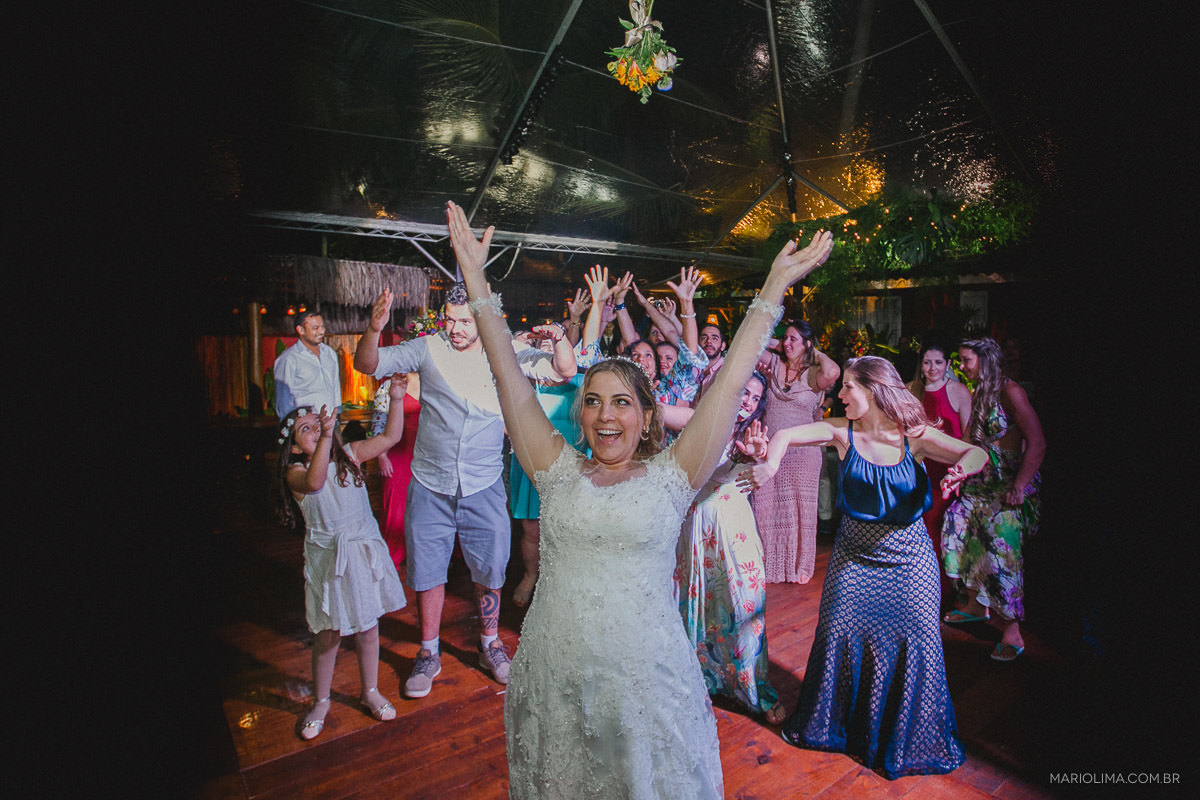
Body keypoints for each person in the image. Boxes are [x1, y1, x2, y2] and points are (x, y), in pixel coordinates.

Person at [445, 199, 833, 799]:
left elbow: (728, 383)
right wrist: (475, 280)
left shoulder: (673, 476)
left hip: (645, 682)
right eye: (594, 400)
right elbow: (508, 378)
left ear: (647, 415)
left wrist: (773, 289)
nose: (606, 414)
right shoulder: (554, 469)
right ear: (581, 411)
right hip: (555, 674)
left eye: (622, 401)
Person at [739, 356, 987, 778]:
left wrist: (962, 467)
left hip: (909, 564)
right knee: (838, 633)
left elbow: (976, 451)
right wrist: (770, 463)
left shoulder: (915, 437)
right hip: (853, 560)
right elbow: (784, 433)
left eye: (848, 387)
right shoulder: (842, 431)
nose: (839, 394)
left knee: (918, 643)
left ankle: (909, 739)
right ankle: (835, 727)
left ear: (872, 390)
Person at [353, 282, 575, 698]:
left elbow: (563, 370)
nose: (453, 328)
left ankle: (489, 643)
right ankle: (428, 651)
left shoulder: (504, 351)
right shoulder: (426, 347)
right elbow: (368, 363)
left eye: (462, 321)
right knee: (427, 570)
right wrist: (372, 328)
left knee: (490, 569)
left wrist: (559, 336)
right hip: (430, 482)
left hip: (484, 482)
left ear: (482, 321)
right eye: (449, 320)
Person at [274, 377, 411, 740]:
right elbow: (317, 484)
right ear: (293, 447)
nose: (314, 428)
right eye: (304, 429)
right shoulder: (297, 472)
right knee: (329, 634)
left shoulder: (349, 455)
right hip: (328, 561)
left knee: (368, 628)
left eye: (316, 423)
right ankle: (320, 701)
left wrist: (396, 399)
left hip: (361, 552)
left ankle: (370, 691)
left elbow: (390, 438)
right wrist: (323, 437)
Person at [674, 370, 785, 724]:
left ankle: (756, 690)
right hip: (696, 525)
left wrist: (755, 456)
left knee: (745, 602)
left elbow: (760, 458)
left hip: (733, 528)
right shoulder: (703, 422)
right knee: (700, 603)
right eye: (744, 394)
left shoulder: (752, 437)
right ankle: (703, 679)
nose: (748, 403)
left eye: (755, 398)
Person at [942, 337, 1046, 662]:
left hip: (1011, 484)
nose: (962, 366)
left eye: (967, 360)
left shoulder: (1011, 391)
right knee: (956, 527)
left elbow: (1038, 443)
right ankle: (975, 605)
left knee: (1001, 551)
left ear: (985, 361)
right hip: (982, 481)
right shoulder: (979, 392)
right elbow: (969, 441)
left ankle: (1012, 633)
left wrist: (1020, 484)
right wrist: (959, 471)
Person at [752, 319, 840, 583]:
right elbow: (752, 343)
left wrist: (814, 352)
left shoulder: (814, 374)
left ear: (808, 344)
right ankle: (767, 565)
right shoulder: (774, 363)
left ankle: (796, 567)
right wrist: (779, 343)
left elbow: (834, 371)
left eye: (794, 339)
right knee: (764, 506)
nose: (788, 343)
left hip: (803, 452)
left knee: (799, 510)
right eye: (785, 338)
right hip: (770, 446)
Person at [907, 339, 971, 604]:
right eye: (927, 362)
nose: (932, 368)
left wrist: (962, 471)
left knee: (944, 531)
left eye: (938, 362)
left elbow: (968, 435)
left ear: (947, 365)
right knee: (922, 529)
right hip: (920, 470)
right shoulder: (911, 390)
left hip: (948, 472)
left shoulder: (958, 391)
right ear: (920, 365)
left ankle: (947, 593)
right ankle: (923, 590)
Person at [369, 372, 422, 570]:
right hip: (398, 455)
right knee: (396, 506)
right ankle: (394, 554)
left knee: (426, 507)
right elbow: (378, 424)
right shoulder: (387, 387)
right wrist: (381, 456)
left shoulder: (432, 380)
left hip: (427, 455)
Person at [274, 308, 342, 420]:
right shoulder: (289, 359)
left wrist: (337, 416)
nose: (322, 331)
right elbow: (283, 401)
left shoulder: (329, 354)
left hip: (331, 422)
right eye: (315, 328)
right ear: (301, 330)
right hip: (306, 426)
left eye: (322, 327)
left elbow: (335, 387)